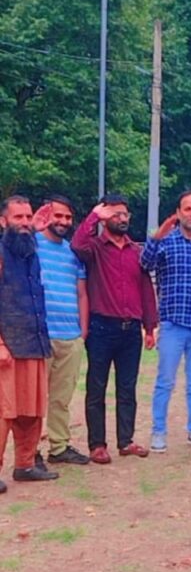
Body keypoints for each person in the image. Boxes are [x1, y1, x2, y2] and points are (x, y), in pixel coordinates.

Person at [72, 195, 156, 464]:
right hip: (101, 327)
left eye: (124, 214)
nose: (121, 219)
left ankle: (126, 440)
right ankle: (97, 444)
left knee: (127, 388)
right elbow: (76, 244)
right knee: (96, 387)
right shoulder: (94, 248)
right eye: (115, 214)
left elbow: (146, 289)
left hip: (130, 329)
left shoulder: (136, 251)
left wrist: (150, 327)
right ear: (105, 218)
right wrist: (95, 215)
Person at [139, 191, 191, 452]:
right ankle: (158, 431)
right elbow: (144, 264)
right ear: (178, 212)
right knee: (165, 381)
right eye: (188, 209)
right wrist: (156, 236)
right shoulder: (166, 242)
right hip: (173, 323)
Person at [0, 196, 59, 487]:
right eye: (17, 218)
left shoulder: (30, 251)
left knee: (32, 411)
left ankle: (25, 465)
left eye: (27, 217)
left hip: (34, 343)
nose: (23, 223)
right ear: (3, 222)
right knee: (4, 412)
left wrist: (34, 229)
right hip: (7, 348)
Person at [32, 196, 91, 465]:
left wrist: (83, 331)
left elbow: (82, 294)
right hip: (40, 336)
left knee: (61, 398)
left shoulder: (72, 253)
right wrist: (32, 227)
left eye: (68, 217)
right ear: (46, 215)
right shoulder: (31, 246)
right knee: (33, 400)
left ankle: (58, 447)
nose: (63, 222)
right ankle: (29, 452)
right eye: (58, 216)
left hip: (70, 337)